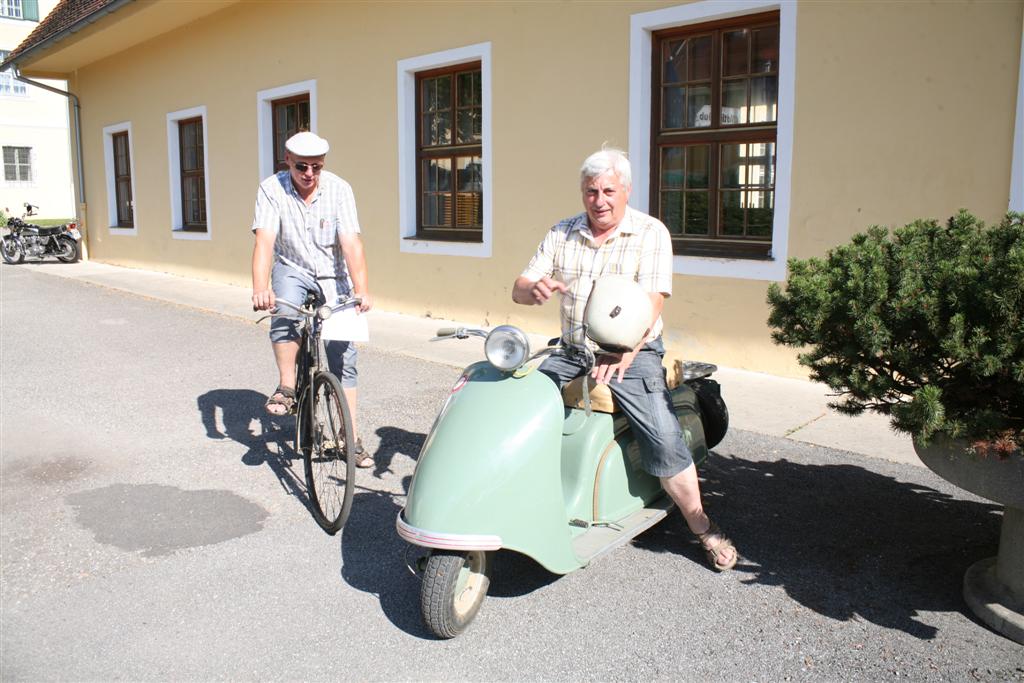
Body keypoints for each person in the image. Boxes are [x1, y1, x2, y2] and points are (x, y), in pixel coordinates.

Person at [511, 147, 738, 571]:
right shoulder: (562, 232)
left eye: (608, 190)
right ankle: (525, 496)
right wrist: (532, 290)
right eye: (590, 191)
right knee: (519, 400)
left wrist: (626, 350)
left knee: (663, 436)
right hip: (573, 348)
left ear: (626, 190)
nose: (599, 200)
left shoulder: (650, 233)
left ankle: (703, 527)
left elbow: (653, 300)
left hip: (635, 351)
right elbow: (520, 287)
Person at [251, 131, 375, 468]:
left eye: (316, 167)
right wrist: (261, 287)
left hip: (335, 274)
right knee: (285, 312)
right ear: (288, 161)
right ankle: (287, 386)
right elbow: (264, 241)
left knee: (343, 358)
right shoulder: (271, 188)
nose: (309, 174)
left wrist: (361, 289)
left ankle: (349, 439)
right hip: (293, 267)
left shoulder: (339, 189)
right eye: (302, 166)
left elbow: (351, 243)